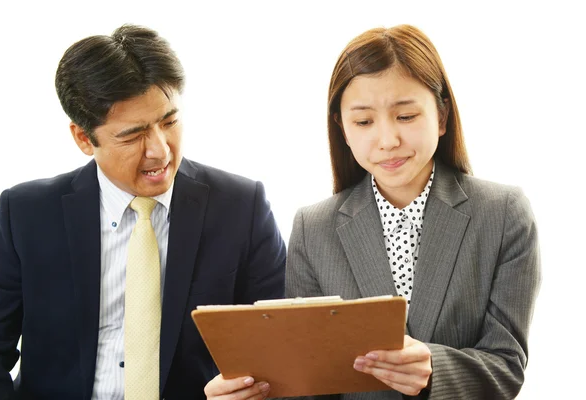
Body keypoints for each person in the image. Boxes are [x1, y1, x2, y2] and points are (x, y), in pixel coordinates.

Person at [204, 24, 541, 400]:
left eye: (406, 116)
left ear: (442, 116)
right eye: (364, 122)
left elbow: (507, 366)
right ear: (343, 130)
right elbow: (310, 380)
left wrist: (432, 367)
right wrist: (257, 391)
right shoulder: (313, 228)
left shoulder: (502, 214)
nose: (387, 140)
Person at [0, 24, 286, 400]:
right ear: (83, 137)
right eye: (132, 135)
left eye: (169, 122)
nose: (160, 150)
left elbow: (283, 346)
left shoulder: (242, 207)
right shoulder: (25, 215)